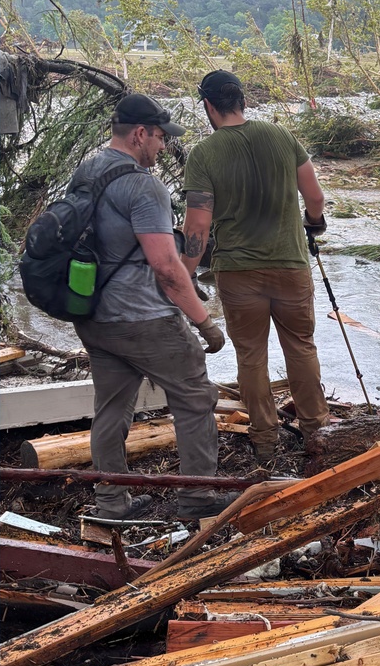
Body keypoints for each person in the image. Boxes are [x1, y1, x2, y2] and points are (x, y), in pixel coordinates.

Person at [73, 93, 238, 520]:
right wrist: (205, 324)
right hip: (144, 319)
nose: (163, 146)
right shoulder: (143, 186)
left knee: (110, 407)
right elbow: (166, 267)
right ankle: (198, 496)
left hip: (93, 316)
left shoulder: (87, 170)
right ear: (140, 133)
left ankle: (111, 501)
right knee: (196, 398)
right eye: (160, 137)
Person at [181, 70, 330, 463]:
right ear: (242, 100)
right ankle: (317, 431)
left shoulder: (204, 153)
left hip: (238, 272)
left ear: (209, 106)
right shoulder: (282, 137)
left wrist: (183, 273)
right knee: (301, 346)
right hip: (291, 265)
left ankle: (265, 439)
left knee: (251, 355)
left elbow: (197, 226)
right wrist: (313, 225)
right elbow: (314, 197)